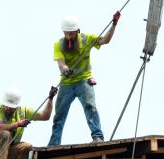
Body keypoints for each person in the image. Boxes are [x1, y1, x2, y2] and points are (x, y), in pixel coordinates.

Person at [48, 13, 119, 146]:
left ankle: (97, 136)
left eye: (71, 34)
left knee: (90, 107)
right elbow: (60, 63)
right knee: (59, 116)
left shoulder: (87, 39)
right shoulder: (59, 44)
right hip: (66, 84)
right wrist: (65, 70)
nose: (68, 37)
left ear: (77, 31)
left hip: (83, 81)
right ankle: (53, 144)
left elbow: (105, 40)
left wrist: (113, 25)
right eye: (66, 33)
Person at [0, 86, 56, 159]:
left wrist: (50, 98)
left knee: (27, 147)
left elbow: (45, 116)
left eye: (11, 107)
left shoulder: (23, 111)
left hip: (9, 151)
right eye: (6, 106)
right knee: (5, 133)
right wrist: (18, 124)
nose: (8, 108)